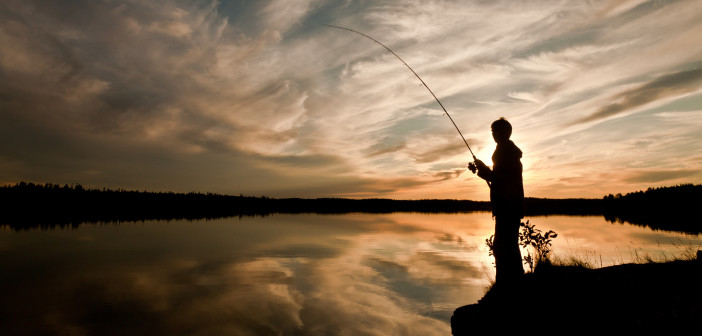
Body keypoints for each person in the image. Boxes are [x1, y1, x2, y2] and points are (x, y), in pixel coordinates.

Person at [474, 117, 525, 285]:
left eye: (496, 131)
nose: (493, 134)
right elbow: (499, 178)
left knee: (503, 247)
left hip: (507, 206)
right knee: (507, 246)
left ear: (506, 132)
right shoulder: (505, 151)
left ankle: (507, 286)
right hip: (509, 206)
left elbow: (500, 180)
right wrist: (482, 169)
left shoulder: (505, 152)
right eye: (492, 131)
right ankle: (512, 283)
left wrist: (483, 172)